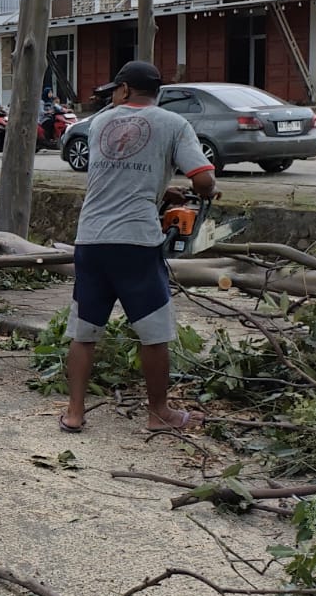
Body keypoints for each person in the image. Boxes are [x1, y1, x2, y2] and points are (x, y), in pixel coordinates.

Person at [60, 60, 217, 434]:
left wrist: (160, 189)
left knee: (84, 331)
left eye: (115, 90)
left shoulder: (98, 123)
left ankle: (74, 413)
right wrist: (202, 190)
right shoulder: (174, 124)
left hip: (91, 240)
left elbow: (116, 174)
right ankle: (159, 413)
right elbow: (204, 179)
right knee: (154, 332)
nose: (113, 97)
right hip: (136, 243)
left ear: (125, 89)